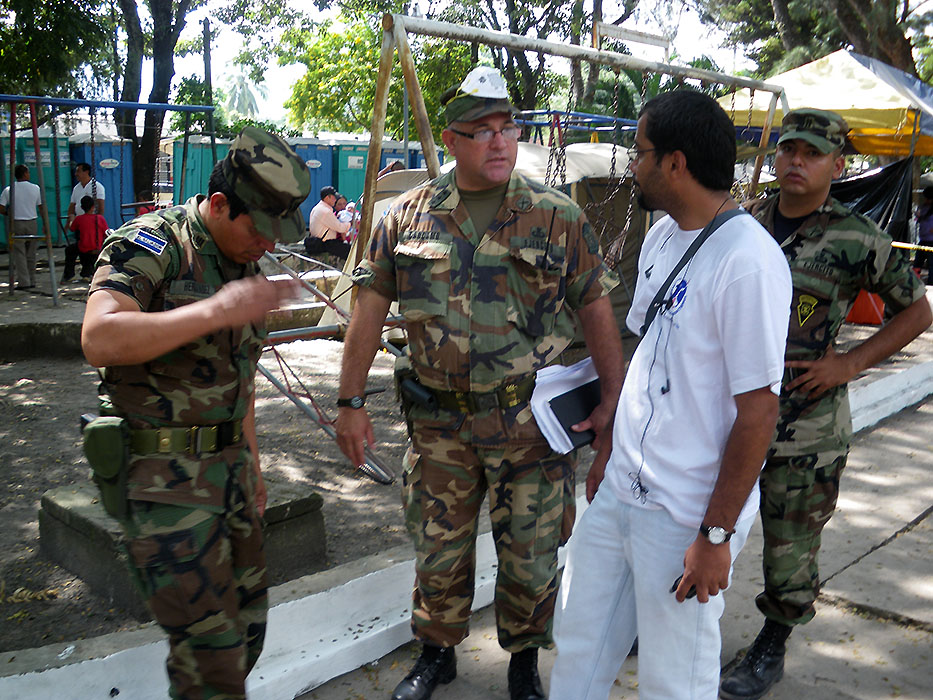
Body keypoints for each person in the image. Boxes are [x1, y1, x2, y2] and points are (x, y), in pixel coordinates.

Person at [335, 65, 625, 700]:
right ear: (452, 139)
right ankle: (436, 654)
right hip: (439, 424)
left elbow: (596, 308)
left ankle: (524, 663)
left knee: (532, 552)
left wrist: (613, 401)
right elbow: (368, 309)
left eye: (508, 127)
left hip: (530, 426)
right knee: (438, 549)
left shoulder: (557, 217)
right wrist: (350, 402)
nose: (500, 141)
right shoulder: (405, 216)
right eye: (483, 130)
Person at [548, 90, 793, 700]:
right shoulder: (661, 237)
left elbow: (759, 411)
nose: (632, 165)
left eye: (640, 152)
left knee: (672, 678)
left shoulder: (748, 262)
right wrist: (610, 446)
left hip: (687, 513)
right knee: (579, 641)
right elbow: (645, 353)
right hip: (622, 492)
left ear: (675, 163)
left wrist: (715, 536)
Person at [80, 126, 310, 700]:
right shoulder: (155, 243)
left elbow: (241, 382)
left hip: (231, 474)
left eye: (276, 233)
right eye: (257, 228)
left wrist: (253, 466)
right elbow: (99, 338)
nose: (266, 244)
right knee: (213, 659)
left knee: (246, 634)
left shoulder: (246, 268)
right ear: (219, 204)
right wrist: (213, 311)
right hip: (166, 486)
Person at [719, 109, 932, 700]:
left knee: (790, 548)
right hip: (728, 415)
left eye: (812, 153)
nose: (796, 161)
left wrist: (850, 364)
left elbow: (917, 310)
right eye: (789, 148)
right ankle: (674, 617)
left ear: (838, 166)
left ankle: (771, 647)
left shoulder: (856, 237)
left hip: (804, 427)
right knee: (698, 519)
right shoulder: (741, 221)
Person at [0, 164, 42, 289]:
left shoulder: (9, 190)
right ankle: (32, 279)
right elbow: (41, 206)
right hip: (32, 222)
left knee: (19, 253)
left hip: (16, 222)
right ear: (25, 174)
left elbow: (1, 207)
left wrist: (8, 213)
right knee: (31, 253)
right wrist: (45, 224)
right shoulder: (35, 188)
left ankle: (24, 281)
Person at [62, 195, 108, 283]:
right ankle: (86, 273)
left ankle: (69, 275)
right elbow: (106, 232)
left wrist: (71, 220)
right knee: (84, 251)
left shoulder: (79, 219)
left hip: (83, 247)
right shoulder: (100, 218)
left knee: (70, 250)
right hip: (97, 246)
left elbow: (72, 228)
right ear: (93, 207)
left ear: (82, 207)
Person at [304, 185, 351, 259]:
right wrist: (350, 223)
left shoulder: (317, 208)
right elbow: (340, 228)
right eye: (334, 197)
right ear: (327, 198)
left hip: (318, 242)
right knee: (351, 251)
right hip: (326, 244)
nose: (335, 200)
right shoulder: (325, 211)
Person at [67, 162, 105, 227]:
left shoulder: (97, 187)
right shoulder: (76, 188)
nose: (76, 174)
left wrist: (97, 223)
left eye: (78, 171)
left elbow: (101, 206)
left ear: (86, 172)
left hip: (92, 222)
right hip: (79, 222)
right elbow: (72, 205)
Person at [914, 185, 933, 284]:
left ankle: (931, 285)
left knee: (931, 265)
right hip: (922, 240)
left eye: (928, 198)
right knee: (917, 263)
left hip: (931, 241)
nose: (926, 200)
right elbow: (918, 218)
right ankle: (914, 282)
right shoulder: (923, 207)